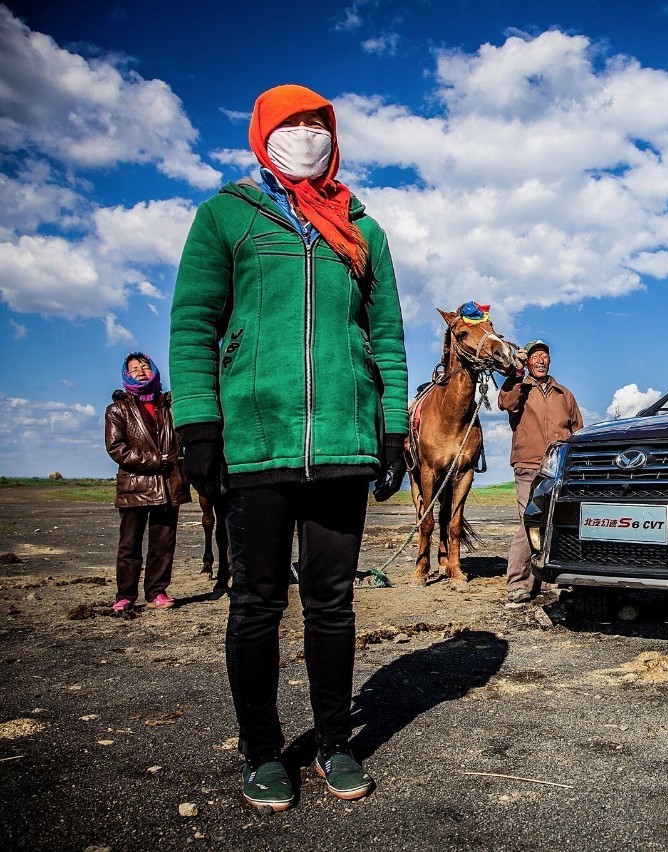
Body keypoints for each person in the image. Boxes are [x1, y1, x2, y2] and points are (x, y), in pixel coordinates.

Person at [169, 84, 409, 813]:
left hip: (341, 436)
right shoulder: (225, 217)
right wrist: (199, 428)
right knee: (256, 604)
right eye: (291, 123)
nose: (305, 134)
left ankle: (336, 742)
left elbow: (388, 334)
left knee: (333, 604)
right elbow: (193, 325)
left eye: (317, 123)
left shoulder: (364, 229)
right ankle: (263, 752)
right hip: (255, 441)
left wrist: (392, 425)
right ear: (262, 133)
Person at [497, 339, 582, 605]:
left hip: (558, 468)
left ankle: (549, 579)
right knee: (529, 520)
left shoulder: (563, 394)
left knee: (555, 521)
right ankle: (518, 583)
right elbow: (506, 403)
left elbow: (577, 429)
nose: (540, 360)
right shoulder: (520, 387)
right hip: (528, 465)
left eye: (544, 356)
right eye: (534, 356)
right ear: (528, 361)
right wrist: (516, 371)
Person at [105, 352, 191, 613]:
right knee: (129, 544)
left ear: (154, 371)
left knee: (163, 544)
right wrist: (156, 460)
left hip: (168, 485)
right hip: (135, 486)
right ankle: (125, 596)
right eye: (134, 369)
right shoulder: (117, 409)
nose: (141, 371)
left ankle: (157, 592)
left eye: (144, 366)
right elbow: (116, 448)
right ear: (126, 376)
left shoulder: (170, 405)